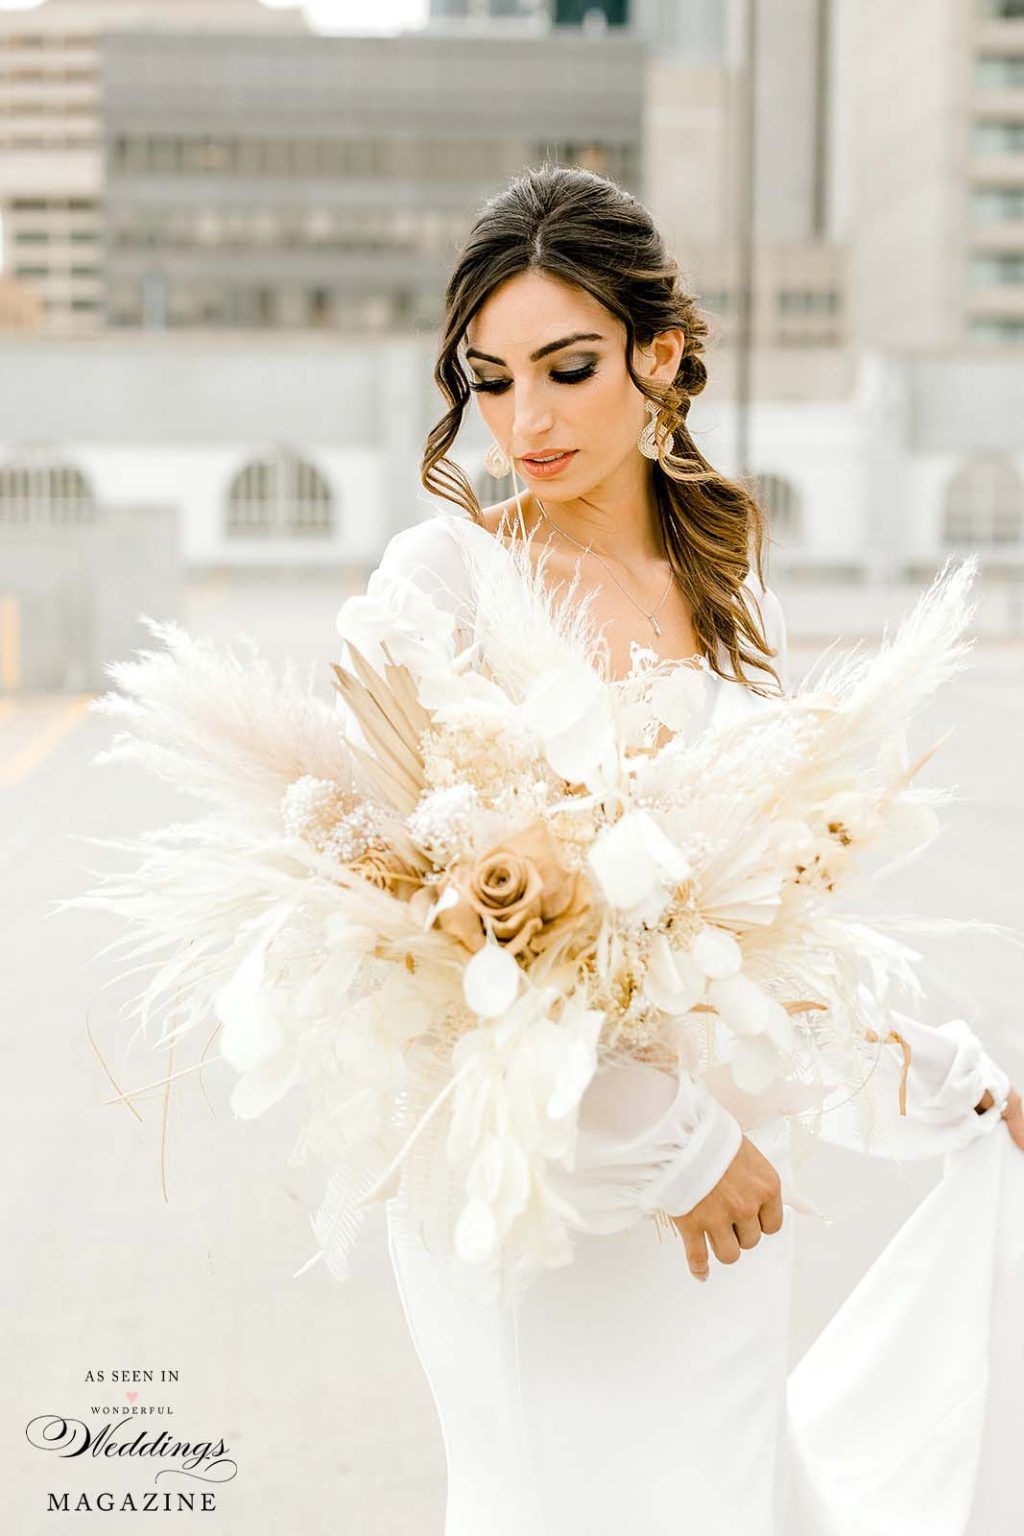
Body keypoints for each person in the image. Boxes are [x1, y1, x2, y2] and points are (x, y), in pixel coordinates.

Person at [344, 165, 1024, 1536]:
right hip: (552, 1202)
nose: (522, 422)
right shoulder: (441, 591)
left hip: (718, 1233)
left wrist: (946, 1084)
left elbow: (765, 918)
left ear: (659, 355)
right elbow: (394, 952)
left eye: (568, 367)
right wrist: (667, 1136)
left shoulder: (721, 580)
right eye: (489, 379)